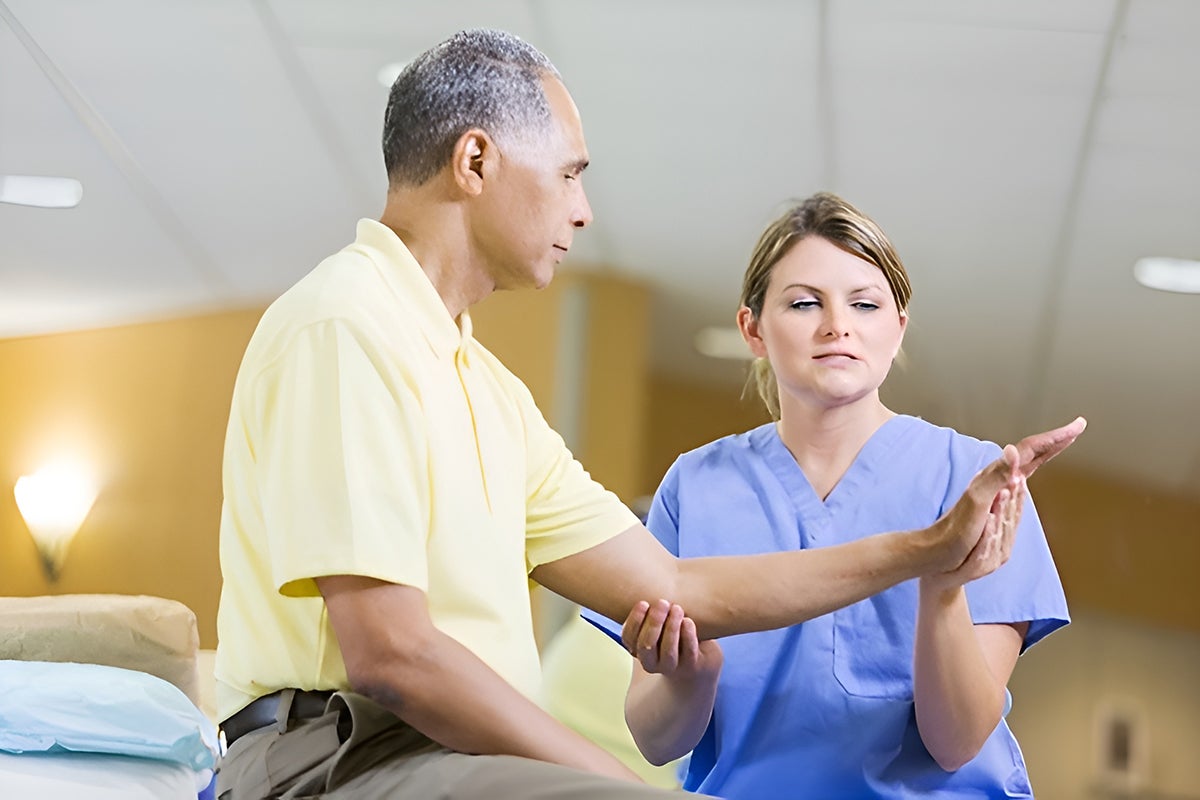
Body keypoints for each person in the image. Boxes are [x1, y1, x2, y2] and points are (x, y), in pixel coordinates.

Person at [212, 29, 1083, 800]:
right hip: (344, 757)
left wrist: (928, 554)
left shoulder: (482, 385)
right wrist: (619, 779)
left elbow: (675, 588)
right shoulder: (349, 327)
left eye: (863, 304)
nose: (582, 210)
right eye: (568, 176)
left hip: (442, 754)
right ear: (475, 163)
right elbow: (392, 658)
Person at [595, 192, 1078, 799]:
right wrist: (693, 675)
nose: (837, 326)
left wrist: (943, 582)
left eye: (865, 304)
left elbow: (956, 742)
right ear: (753, 329)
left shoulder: (974, 480)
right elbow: (656, 739)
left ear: (897, 328)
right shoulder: (696, 487)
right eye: (803, 303)